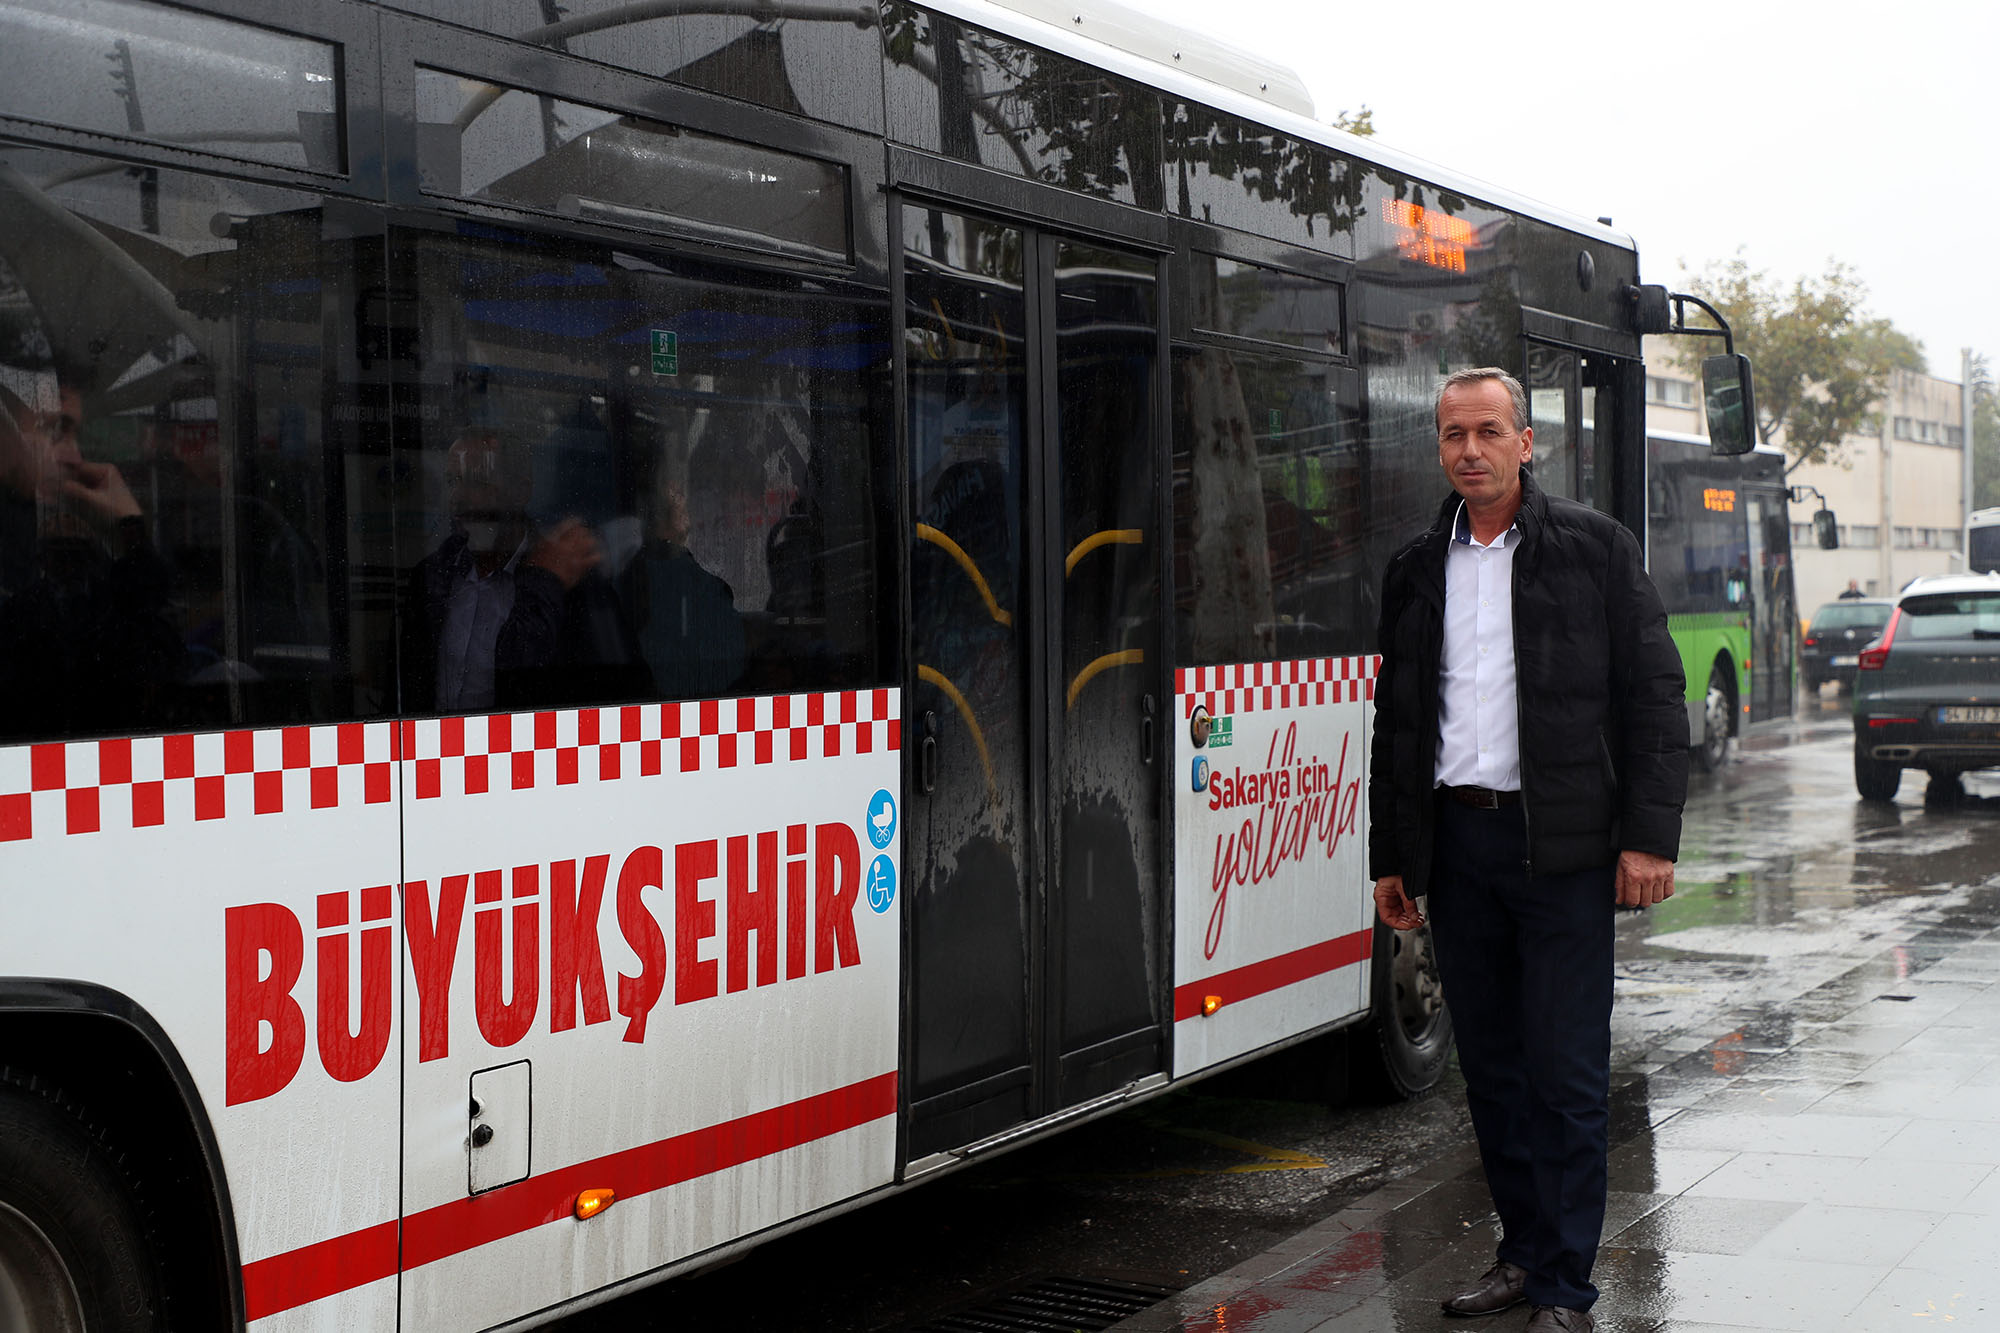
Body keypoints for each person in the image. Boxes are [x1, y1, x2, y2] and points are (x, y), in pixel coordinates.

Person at [1368, 368, 1687, 1333]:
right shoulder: (1419, 565)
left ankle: (1565, 1287)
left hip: (1567, 851)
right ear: (1439, 446)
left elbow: (1654, 699)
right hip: (1460, 843)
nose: (1470, 449)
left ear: (1526, 440)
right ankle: (1520, 1252)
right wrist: (1394, 856)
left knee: (1567, 1072)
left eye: (1488, 431)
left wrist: (1646, 839)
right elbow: (1398, 723)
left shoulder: (1593, 549)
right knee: (1495, 1070)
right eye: (1453, 433)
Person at [0, 378, 182, 739]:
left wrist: (129, 542)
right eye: (54, 430)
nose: (75, 458)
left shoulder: (80, 573)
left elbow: (155, 669)